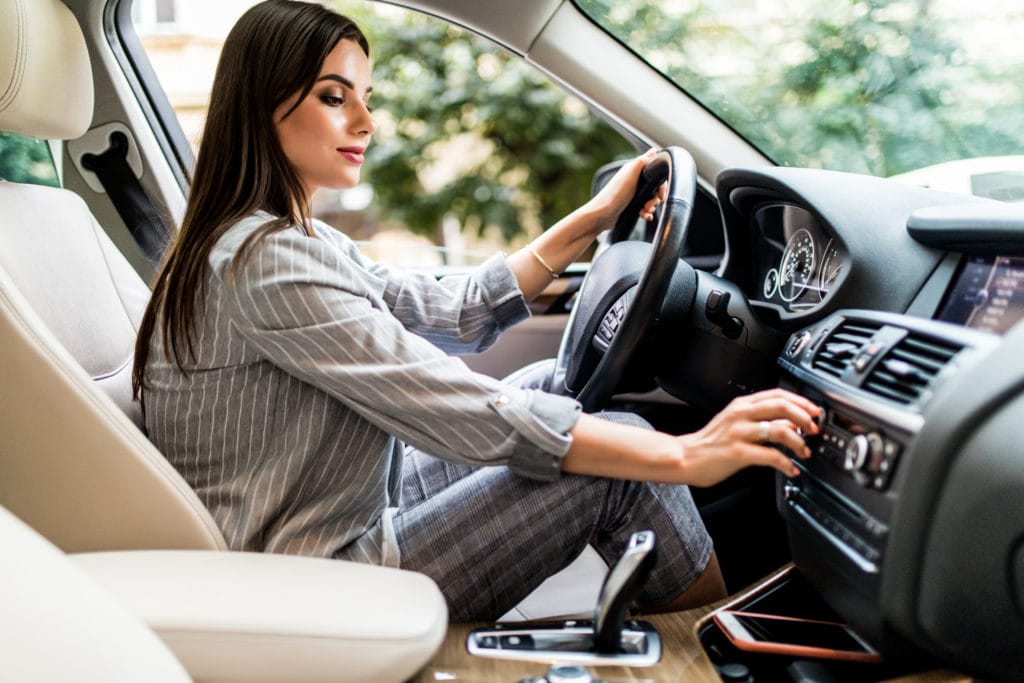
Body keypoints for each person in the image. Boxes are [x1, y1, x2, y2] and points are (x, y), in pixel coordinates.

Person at [132, 0, 820, 622]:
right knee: (618, 469)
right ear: (260, 104)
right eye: (333, 97)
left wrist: (593, 218)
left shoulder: (287, 236)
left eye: (365, 98)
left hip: (342, 511)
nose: (366, 122)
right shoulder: (264, 261)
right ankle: (713, 653)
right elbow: (450, 401)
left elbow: (445, 308)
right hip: (318, 570)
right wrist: (686, 453)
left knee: (558, 384)